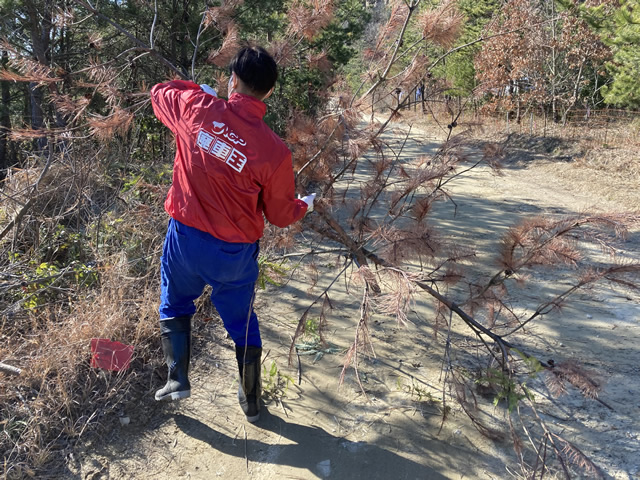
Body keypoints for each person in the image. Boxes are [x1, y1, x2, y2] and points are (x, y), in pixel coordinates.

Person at [150, 46, 315, 423]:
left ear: (232, 81)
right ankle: (252, 401)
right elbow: (279, 215)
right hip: (234, 253)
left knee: (174, 305)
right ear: (269, 93)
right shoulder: (274, 152)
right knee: (241, 322)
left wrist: (197, 90)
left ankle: (178, 378)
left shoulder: (197, 109)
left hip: (185, 241)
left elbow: (160, 92)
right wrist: (304, 204)